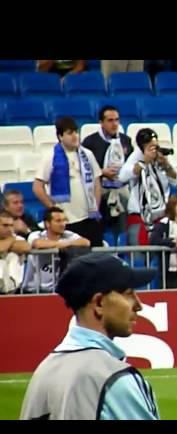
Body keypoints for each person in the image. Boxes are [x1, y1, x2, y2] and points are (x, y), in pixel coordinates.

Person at [20, 253, 160, 420]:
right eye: (128, 293)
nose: (138, 305)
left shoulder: (44, 370)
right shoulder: (113, 378)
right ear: (99, 303)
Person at [33, 116, 103, 247]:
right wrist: (53, 210)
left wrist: (96, 207)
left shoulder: (87, 154)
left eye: (76, 132)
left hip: (90, 218)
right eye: (70, 133)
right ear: (60, 136)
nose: (75, 136)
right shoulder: (51, 157)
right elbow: (37, 187)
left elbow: (97, 183)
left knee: (96, 260)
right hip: (67, 222)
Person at [119, 128, 177, 247]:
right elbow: (122, 177)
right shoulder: (136, 157)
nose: (153, 149)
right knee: (139, 255)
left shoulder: (160, 157)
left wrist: (166, 166)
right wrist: (143, 162)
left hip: (161, 216)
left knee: (163, 254)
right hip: (139, 216)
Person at [82, 105, 134, 243]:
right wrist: (102, 172)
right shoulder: (90, 142)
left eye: (117, 120)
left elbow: (130, 164)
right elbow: (83, 167)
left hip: (120, 189)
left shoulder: (125, 140)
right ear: (101, 122)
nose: (114, 124)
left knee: (125, 225)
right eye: (110, 120)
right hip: (99, 190)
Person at [21, 207, 90, 294]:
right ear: (47, 224)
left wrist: (63, 244)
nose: (63, 224)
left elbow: (86, 242)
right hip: (33, 290)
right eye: (58, 221)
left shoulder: (68, 235)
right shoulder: (36, 235)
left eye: (64, 220)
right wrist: (63, 244)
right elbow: (38, 244)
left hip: (56, 289)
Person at [0, 210, 30, 294]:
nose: (9, 229)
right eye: (5, 225)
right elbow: (1, 248)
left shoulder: (19, 239)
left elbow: (26, 247)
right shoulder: (14, 239)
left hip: (11, 287)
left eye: (11, 225)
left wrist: (10, 240)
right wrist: (11, 240)